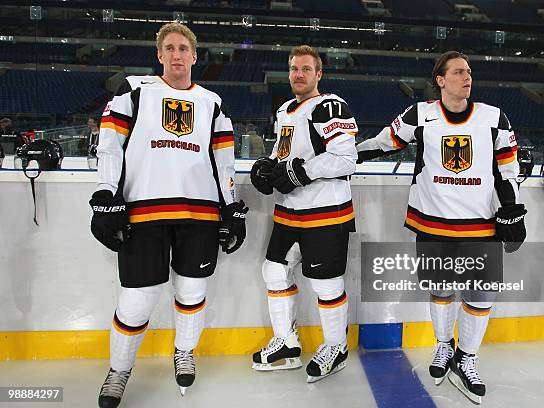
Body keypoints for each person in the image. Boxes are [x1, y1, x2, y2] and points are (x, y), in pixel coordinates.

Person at [91, 22, 247, 408]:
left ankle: (185, 350)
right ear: (159, 55)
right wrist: (104, 196)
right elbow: (110, 147)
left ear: (195, 57)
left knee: (192, 291)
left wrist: (232, 208)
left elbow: (224, 162)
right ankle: (119, 369)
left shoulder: (213, 102)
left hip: (201, 215)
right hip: (144, 213)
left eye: (184, 49)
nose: (177, 55)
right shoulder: (134, 90)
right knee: (135, 300)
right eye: (170, 49)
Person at [356, 50, 526, 404]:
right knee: (440, 287)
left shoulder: (495, 118)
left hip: (481, 225)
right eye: (460, 72)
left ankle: (468, 358)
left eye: (469, 72)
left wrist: (511, 207)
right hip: (431, 222)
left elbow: (509, 168)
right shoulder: (420, 114)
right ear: (440, 80)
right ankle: (444, 347)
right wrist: (346, 155)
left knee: (481, 295)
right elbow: (386, 142)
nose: (467, 78)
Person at [249, 45, 358, 383]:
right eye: (294, 68)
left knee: (326, 283)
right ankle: (287, 343)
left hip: (326, 213)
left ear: (318, 74)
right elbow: (284, 154)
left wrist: (299, 172)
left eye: (306, 69)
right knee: (274, 272)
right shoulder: (285, 110)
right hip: (289, 212)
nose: (299, 74)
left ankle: (336, 347)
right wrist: (268, 168)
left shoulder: (329, 105)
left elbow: (345, 157)